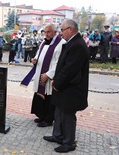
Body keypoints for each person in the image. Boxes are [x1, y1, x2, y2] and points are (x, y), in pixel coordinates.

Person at [43, 19, 89, 153]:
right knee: (59, 112)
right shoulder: (71, 42)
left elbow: (70, 69)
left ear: (70, 29)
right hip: (64, 87)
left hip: (71, 88)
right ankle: (58, 135)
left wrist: (57, 83)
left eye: (62, 30)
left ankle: (68, 143)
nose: (61, 33)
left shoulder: (78, 45)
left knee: (67, 116)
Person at [22, 24, 66, 127]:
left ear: (55, 32)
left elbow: (59, 63)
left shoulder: (61, 44)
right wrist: (35, 59)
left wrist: (48, 74)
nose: (46, 34)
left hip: (50, 76)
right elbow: (39, 53)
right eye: (45, 32)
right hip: (40, 73)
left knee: (49, 98)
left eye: (49, 32)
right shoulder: (43, 42)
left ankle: (48, 119)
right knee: (40, 96)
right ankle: (41, 116)